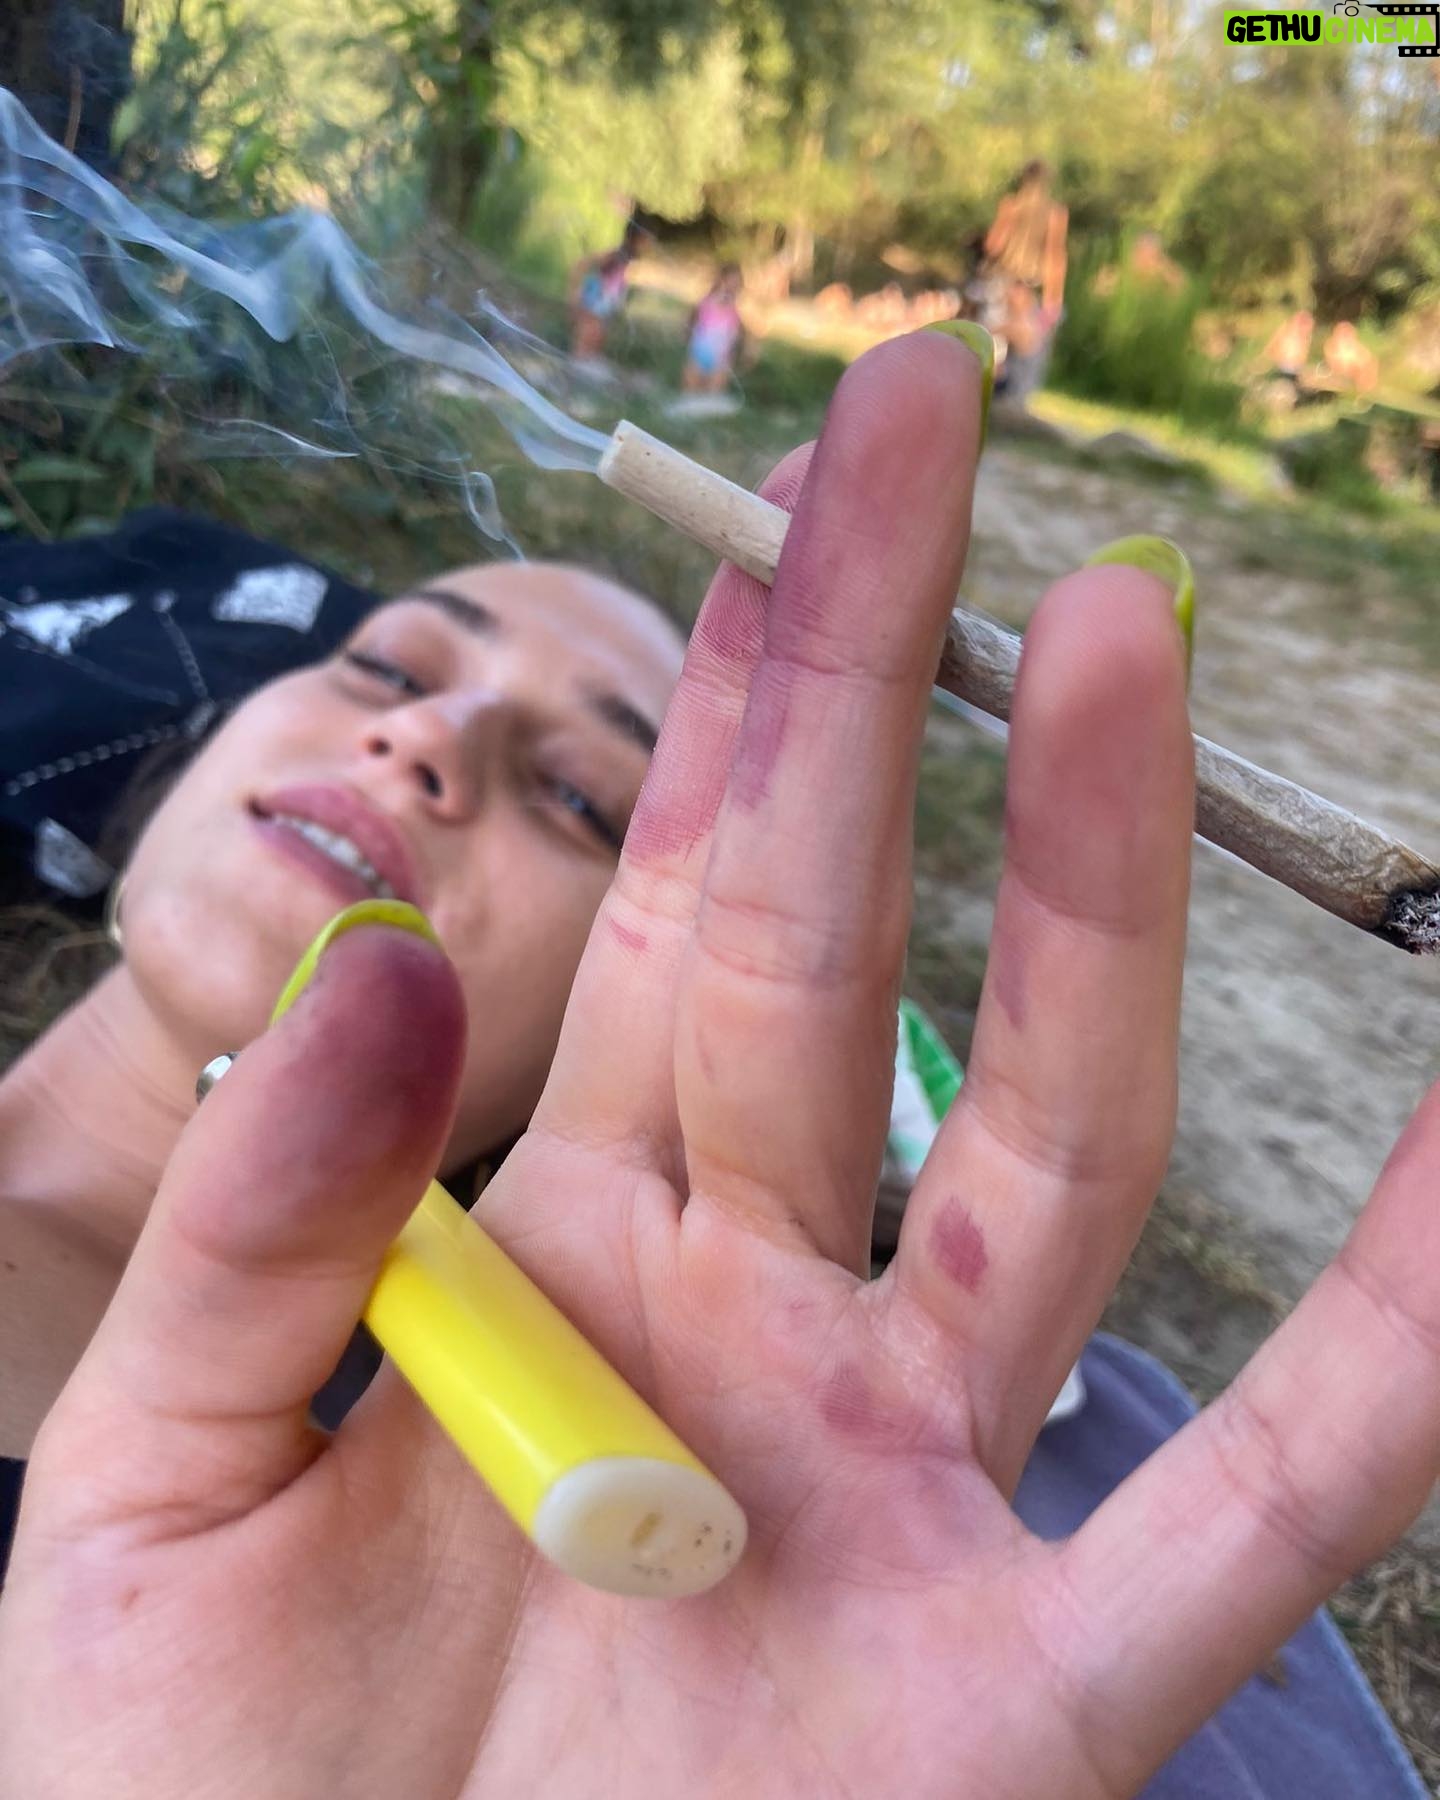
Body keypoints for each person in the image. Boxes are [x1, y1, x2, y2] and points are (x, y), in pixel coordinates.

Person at [0, 333, 1434, 1797]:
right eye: (386, 665)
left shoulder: (458, 1541)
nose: (428, 734)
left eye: (575, 796)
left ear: (612, 1025)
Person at [981, 160, 1069, 400]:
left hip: (1004, 279)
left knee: (995, 337)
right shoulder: (1055, 213)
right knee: (1029, 345)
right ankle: (1017, 395)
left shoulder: (1011, 205)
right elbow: (1055, 256)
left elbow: (994, 245)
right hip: (1030, 285)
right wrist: (1053, 298)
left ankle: (991, 388)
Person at [570, 222, 651, 362]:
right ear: (633, 238)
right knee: (586, 336)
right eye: (642, 241)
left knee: (597, 338)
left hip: (606, 302)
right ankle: (575, 363)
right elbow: (583, 264)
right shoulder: (615, 254)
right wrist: (575, 290)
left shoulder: (628, 259)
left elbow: (618, 282)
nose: (645, 246)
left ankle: (583, 364)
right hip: (595, 299)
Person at [683, 263, 746, 393]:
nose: (733, 285)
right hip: (699, 354)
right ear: (721, 279)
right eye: (731, 280)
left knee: (711, 396)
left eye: (737, 281)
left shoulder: (737, 309)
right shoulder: (707, 301)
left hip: (721, 359)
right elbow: (690, 321)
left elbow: (737, 335)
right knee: (690, 394)